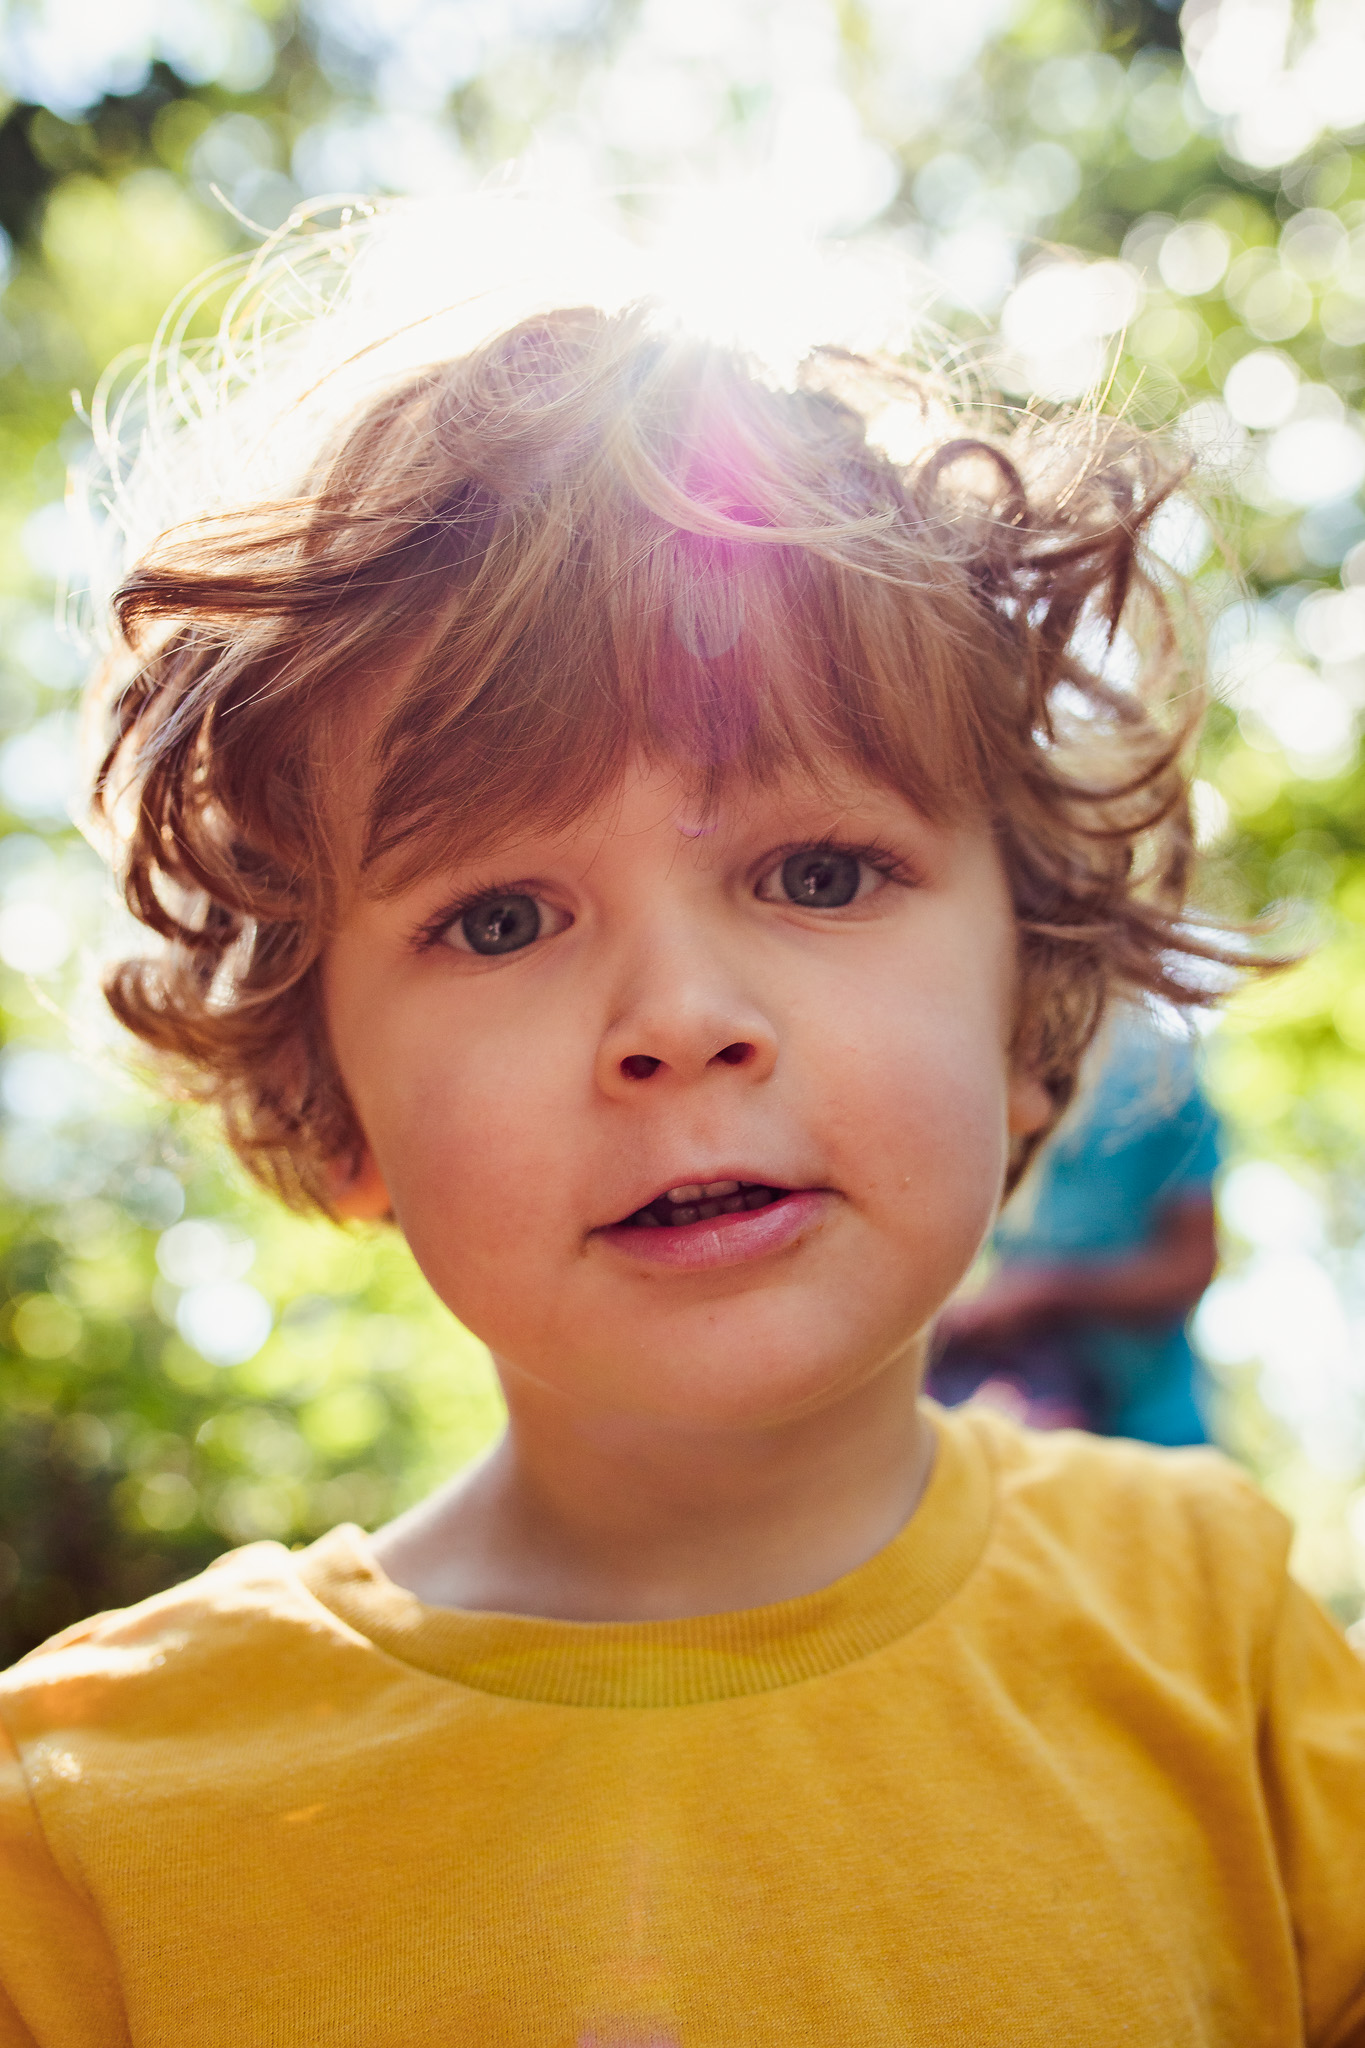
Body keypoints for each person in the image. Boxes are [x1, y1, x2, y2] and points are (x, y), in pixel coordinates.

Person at [2, 226, 1364, 2047]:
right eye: (499, 918)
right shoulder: (90, 1818)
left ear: (1032, 1015)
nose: (678, 1016)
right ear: (341, 1110)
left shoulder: (1225, 1637)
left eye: (816, 870)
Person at [929, 1007, 1222, 1443]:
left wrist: (1046, 1293)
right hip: (1018, 1404)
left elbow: (1193, 1264)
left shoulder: (1161, 1075)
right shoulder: (964, 1054)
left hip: (1147, 1419)